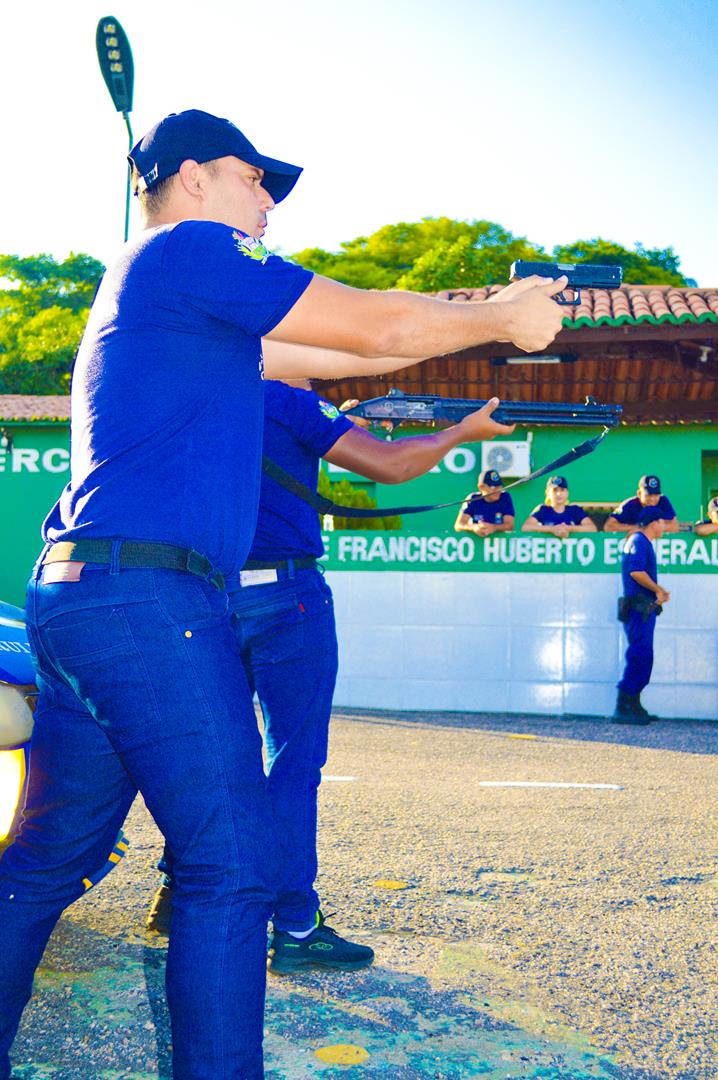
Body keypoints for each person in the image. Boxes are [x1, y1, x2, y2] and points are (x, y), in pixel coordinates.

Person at [0, 107, 566, 1080]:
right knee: (231, 868)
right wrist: (501, 319)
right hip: (148, 604)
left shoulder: (182, 299)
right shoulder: (188, 252)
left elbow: (355, 351)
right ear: (190, 178)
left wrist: (490, 316)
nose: (268, 197)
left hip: (89, 600)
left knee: (40, 870)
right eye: (252, 176)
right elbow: (376, 323)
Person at [147, 379, 514, 972]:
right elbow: (392, 466)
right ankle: (295, 925)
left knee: (213, 757)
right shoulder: (292, 402)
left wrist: (337, 424)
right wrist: (463, 431)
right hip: (286, 595)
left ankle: (178, 894)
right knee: (291, 764)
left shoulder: (196, 392)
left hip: (206, 593)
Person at [613, 506, 670, 724]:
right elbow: (636, 572)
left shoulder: (641, 542)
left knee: (644, 656)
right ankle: (623, 707)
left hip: (642, 609)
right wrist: (658, 589)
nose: (664, 527)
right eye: (662, 522)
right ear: (654, 523)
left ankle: (634, 705)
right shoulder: (639, 541)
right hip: (638, 610)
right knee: (639, 655)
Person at [521, 475, 597, 536]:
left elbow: (592, 528)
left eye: (562, 490)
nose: (559, 494)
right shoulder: (543, 509)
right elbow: (526, 527)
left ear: (567, 493)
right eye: (555, 490)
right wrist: (551, 529)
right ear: (548, 493)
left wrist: (568, 528)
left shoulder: (575, 510)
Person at [603, 474, 678, 533]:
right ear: (639, 493)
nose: (652, 499)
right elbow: (608, 526)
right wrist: (636, 528)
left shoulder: (663, 501)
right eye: (648, 495)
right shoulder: (629, 504)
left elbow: (674, 526)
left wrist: (650, 529)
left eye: (656, 495)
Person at [454, 469, 515, 536]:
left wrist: (493, 527)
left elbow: (509, 525)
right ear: (481, 487)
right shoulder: (473, 499)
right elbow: (458, 525)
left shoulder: (505, 497)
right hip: (477, 540)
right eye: (493, 487)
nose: (497, 490)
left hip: (498, 541)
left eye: (499, 486)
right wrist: (474, 527)